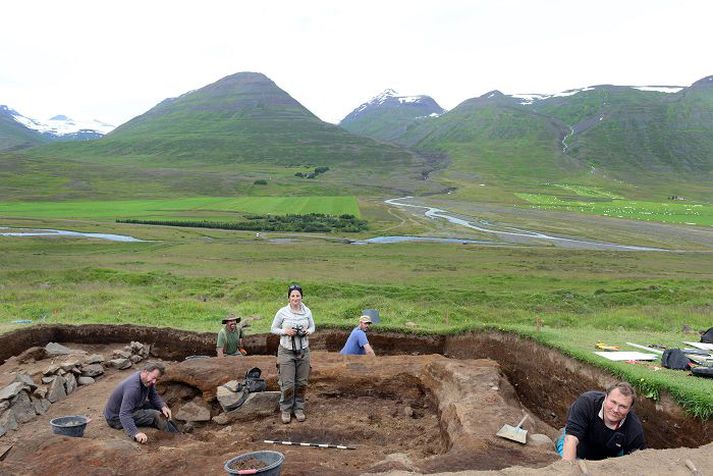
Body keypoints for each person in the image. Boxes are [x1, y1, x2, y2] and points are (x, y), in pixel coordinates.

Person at [557, 382, 645, 461]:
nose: (615, 409)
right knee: (567, 449)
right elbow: (571, 439)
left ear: (629, 409)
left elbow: (635, 462)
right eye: (613, 402)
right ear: (605, 398)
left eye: (622, 406)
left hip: (609, 455)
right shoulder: (587, 403)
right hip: (580, 441)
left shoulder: (635, 430)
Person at [270, 283, 315, 424]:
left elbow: (313, 326)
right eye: (293, 296)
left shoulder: (307, 311)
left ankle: (299, 408)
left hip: (303, 350)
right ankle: (286, 410)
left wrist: (309, 331)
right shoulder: (282, 312)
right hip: (286, 351)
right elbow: (273, 329)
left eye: (298, 295)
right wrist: (285, 331)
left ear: (301, 297)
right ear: (289, 297)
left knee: (302, 382)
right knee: (288, 383)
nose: (295, 298)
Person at [104, 362, 175, 444]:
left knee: (159, 408)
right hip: (116, 418)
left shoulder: (145, 379)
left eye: (157, 379)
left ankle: (175, 430)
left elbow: (153, 396)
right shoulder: (133, 388)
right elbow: (124, 414)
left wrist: (163, 406)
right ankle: (174, 437)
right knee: (155, 415)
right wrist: (136, 433)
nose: (154, 382)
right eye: (153, 378)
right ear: (145, 371)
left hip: (132, 406)